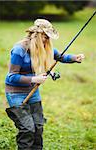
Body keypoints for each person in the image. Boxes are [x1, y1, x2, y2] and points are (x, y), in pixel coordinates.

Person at [5, 19, 85, 150]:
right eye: (45, 36)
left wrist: (74, 58)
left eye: (49, 37)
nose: (47, 40)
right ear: (36, 34)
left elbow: (60, 57)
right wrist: (34, 79)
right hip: (16, 93)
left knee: (38, 127)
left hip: (33, 92)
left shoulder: (45, 47)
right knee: (27, 129)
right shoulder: (20, 49)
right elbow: (12, 77)